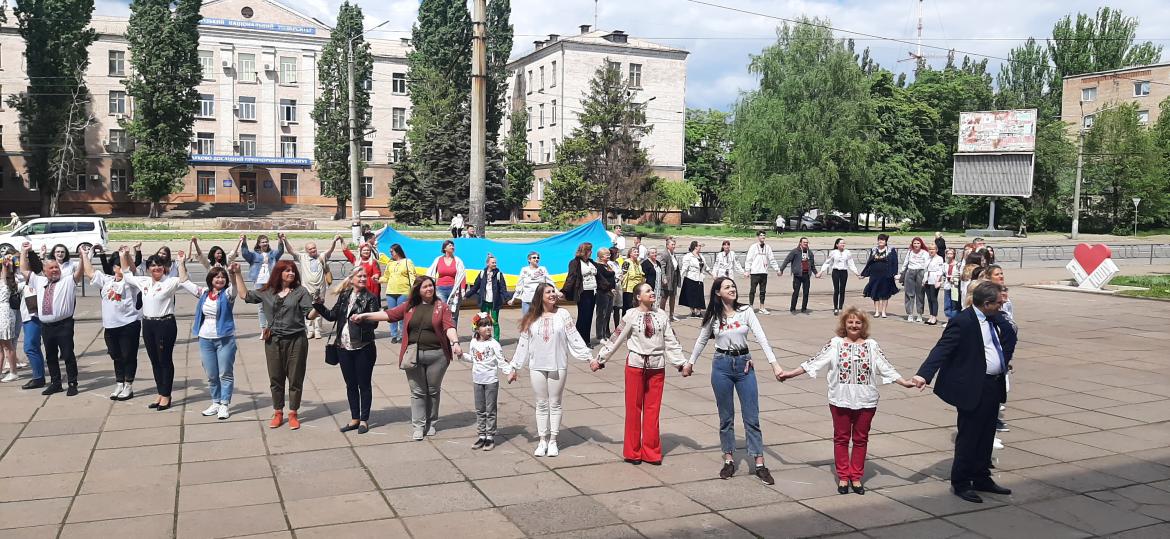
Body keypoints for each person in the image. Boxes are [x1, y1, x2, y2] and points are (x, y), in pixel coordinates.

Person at [778, 308, 915, 494]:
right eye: (850, 322)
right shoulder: (835, 344)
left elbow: (886, 367)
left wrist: (904, 382)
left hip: (866, 400)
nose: (854, 325)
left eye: (858, 322)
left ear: (863, 325)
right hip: (840, 399)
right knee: (841, 438)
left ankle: (856, 477)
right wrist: (790, 374)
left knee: (861, 439)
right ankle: (843, 476)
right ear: (844, 324)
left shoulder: (872, 345)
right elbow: (814, 361)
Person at [912, 281, 1017, 504]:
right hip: (973, 386)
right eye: (998, 303)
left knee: (987, 433)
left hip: (993, 384)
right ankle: (961, 482)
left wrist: (1003, 359)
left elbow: (1009, 335)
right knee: (969, 436)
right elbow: (942, 348)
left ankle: (981, 477)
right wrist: (924, 374)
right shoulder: (963, 321)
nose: (1002, 305)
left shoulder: (995, 318)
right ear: (986, 303)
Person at [688, 276, 785, 485]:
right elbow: (702, 340)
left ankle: (759, 463)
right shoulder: (713, 315)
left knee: (752, 417)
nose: (732, 289)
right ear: (718, 292)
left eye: (733, 286)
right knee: (726, 417)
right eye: (727, 287)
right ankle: (729, 459)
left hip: (744, 366)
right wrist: (690, 363)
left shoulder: (746, 311)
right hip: (721, 366)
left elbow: (761, 337)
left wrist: (774, 364)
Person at [352, 275, 462, 440]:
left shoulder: (442, 306)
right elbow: (388, 315)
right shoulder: (409, 306)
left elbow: (449, 326)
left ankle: (431, 423)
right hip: (412, 355)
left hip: (437, 356)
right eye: (425, 287)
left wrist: (455, 343)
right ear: (418, 290)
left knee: (433, 391)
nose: (429, 289)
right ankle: (418, 426)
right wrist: (365, 316)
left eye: (431, 286)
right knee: (417, 391)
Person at [594, 282, 687, 465]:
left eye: (652, 290)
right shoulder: (631, 315)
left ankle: (651, 452)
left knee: (653, 410)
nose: (652, 293)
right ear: (638, 297)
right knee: (633, 409)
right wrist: (601, 359)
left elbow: (671, 341)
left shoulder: (661, 315)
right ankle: (632, 452)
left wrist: (681, 363)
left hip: (657, 367)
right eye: (647, 291)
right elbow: (616, 338)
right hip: (635, 366)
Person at [508, 283, 592, 458]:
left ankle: (553, 440)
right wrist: (514, 367)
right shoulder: (531, 317)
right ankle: (542, 440)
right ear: (540, 296)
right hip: (537, 365)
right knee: (541, 403)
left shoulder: (563, 314)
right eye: (548, 292)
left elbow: (574, 337)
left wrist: (589, 357)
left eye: (554, 291)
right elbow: (523, 344)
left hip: (558, 363)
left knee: (555, 403)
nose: (553, 294)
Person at [233, 260, 314, 430]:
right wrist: (238, 273)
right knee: (275, 377)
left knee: (295, 377)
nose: (291, 273)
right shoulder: (267, 292)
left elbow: (309, 315)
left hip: (296, 340)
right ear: (278, 273)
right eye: (287, 270)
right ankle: (278, 412)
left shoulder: (300, 291)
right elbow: (244, 295)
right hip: (273, 340)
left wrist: (318, 307)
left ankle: (293, 413)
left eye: (293, 271)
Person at [312, 266, 381, 434]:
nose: (363, 279)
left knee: (364, 384)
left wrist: (361, 319)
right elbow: (332, 316)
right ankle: (354, 418)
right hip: (343, 348)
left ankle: (364, 420)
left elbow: (374, 323)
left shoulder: (370, 298)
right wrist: (318, 305)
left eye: (365, 276)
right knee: (350, 384)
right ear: (351, 279)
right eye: (360, 276)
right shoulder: (344, 295)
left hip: (363, 348)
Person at [177, 254, 239, 419]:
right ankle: (215, 402)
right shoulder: (204, 293)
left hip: (225, 339)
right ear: (210, 279)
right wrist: (181, 263)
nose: (220, 279)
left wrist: (232, 273)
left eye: (222, 277)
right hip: (205, 339)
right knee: (211, 374)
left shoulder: (227, 294)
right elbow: (184, 282)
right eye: (216, 277)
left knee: (225, 373)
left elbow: (235, 287)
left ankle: (224, 404)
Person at [121, 249, 184, 410]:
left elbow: (184, 279)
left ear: (164, 268)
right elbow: (127, 275)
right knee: (154, 360)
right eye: (153, 266)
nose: (156, 268)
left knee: (164, 360)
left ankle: (166, 395)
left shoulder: (170, 282)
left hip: (165, 324)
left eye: (159, 265)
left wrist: (181, 262)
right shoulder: (144, 281)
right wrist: (123, 256)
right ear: (148, 268)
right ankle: (160, 392)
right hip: (148, 324)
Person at [19, 243, 83, 396]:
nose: (55, 270)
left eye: (56, 268)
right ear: (45, 271)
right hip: (47, 326)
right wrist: (24, 251)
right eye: (51, 268)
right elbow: (23, 270)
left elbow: (79, 273)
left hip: (64, 325)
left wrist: (83, 257)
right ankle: (56, 383)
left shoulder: (67, 281)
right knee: (51, 356)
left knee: (67, 354)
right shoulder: (39, 281)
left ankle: (72, 383)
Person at [81, 246, 140, 399]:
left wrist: (125, 255)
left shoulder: (131, 281)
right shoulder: (107, 280)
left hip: (128, 324)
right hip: (110, 326)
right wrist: (85, 255)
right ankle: (119, 382)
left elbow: (131, 269)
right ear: (114, 268)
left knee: (128, 356)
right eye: (119, 265)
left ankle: (128, 385)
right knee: (116, 355)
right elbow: (90, 272)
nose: (123, 268)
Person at [460, 312, 510, 451]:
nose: (488, 327)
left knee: (490, 410)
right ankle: (481, 435)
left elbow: (501, 361)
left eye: (489, 325)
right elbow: (473, 358)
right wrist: (461, 355)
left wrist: (509, 372)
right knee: (480, 409)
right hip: (477, 380)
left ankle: (490, 436)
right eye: (483, 325)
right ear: (476, 328)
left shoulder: (494, 344)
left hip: (491, 381)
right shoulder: (473, 342)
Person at [285, 235, 340, 339]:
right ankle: (310, 330)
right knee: (307, 309)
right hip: (306, 289)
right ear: (306, 251)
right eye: (310, 249)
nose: (313, 250)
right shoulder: (302, 257)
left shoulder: (322, 256)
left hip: (320, 289)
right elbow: (291, 251)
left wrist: (334, 241)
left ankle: (318, 330)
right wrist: (285, 240)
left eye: (314, 248)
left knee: (319, 308)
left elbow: (330, 250)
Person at [240, 234, 285, 334]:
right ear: (259, 244)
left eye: (266, 242)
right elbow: (245, 253)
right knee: (261, 307)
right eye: (263, 242)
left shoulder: (272, 254)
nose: (265, 244)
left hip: (271, 282)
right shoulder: (254, 255)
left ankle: (272, 326)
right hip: (259, 282)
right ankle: (263, 329)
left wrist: (280, 240)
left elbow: (280, 251)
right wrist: (244, 242)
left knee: (273, 304)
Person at [561, 242, 603, 343]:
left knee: (589, 317)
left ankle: (586, 340)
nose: (591, 252)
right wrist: (564, 291)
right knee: (583, 317)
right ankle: (578, 340)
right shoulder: (575, 262)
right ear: (584, 251)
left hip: (593, 291)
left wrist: (609, 287)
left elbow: (600, 276)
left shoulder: (591, 262)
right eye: (589, 250)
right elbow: (571, 277)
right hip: (583, 292)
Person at [16, 249, 46, 390]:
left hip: (33, 317)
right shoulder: (25, 279)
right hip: (28, 317)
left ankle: (38, 378)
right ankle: (38, 376)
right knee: (34, 347)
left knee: (30, 347)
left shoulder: (36, 277)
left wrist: (25, 252)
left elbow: (24, 268)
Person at [465, 254, 507, 341]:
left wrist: (508, 299)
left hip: (495, 302)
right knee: (484, 321)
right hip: (484, 302)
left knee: (494, 322)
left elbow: (503, 288)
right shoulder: (482, 274)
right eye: (493, 262)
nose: (495, 264)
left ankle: (496, 340)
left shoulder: (499, 274)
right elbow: (475, 287)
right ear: (487, 263)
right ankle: (484, 337)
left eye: (495, 263)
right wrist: (467, 295)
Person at [380, 243, 416, 343]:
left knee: (402, 315)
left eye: (392, 251)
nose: (390, 253)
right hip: (391, 292)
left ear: (398, 251)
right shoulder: (390, 263)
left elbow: (412, 276)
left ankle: (403, 335)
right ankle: (394, 335)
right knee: (392, 315)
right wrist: (378, 280)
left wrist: (413, 289)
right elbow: (386, 277)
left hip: (403, 292)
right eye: (390, 251)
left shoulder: (407, 262)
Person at [426, 240, 466, 327]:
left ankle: (453, 333)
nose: (452, 247)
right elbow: (430, 273)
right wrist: (430, 286)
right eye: (450, 245)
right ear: (445, 248)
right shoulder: (438, 260)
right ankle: (442, 332)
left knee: (453, 313)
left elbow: (462, 276)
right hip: (440, 289)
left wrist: (463, 289)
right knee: (441, 312)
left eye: (453, 245)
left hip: (454, 290)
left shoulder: (458, 260)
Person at [818, 238, 861, 316]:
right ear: (837, 244)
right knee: (836, 290)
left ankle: (840, 307)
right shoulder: (833, 252)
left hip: (844, 272)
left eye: (844, 243)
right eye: (841, 243)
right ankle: (835, 308)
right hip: (836, 272)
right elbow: (827, 262)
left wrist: (856, 273)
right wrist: (821, 271)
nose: (843, 244)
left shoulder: (847, 252)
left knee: (842, 290)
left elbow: (851, 264)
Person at [861, 234, 899, 318]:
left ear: (886, 241)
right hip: (875, 275)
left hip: (887, 275)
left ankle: (884, 312)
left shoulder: (891, 250)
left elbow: (895, 263)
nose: (880, 241)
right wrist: (864, 274)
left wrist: (895, 273)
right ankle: (877, 311)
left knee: (885, 293)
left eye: (882, 240)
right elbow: (869, 263)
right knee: (875, 293)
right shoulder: (874, 250)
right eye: (879, 240)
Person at [743, 231, 781, 315]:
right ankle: (751, 306)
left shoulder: (768, 247)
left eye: (764, 235)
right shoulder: (753, 247)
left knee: (763, 291)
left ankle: (762, 307)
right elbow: (749, 259)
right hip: (755, 272)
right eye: (761, 235)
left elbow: (772, 259)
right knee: (753, 290)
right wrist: (747, 270)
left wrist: (777, 269)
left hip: (764, 272)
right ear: (758, 237)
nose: (763, 237)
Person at [510, 251, 557, 316]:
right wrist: (513, 298)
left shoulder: (542, 269)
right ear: (529, 260)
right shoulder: (524, 270)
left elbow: (550, 281)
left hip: (539, 299)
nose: (536, 259)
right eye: (534, 257)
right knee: (527, 319)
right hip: (527, 299)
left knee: (540, 318)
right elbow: (519, 285)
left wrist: (556, 292)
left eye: (538, 258)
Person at [779, 237, 818, 314]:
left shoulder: (810, 253)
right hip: (797, 275)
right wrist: (781, 270)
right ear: (800, 243)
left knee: (806, 293)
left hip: (806, 275)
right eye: (804, 242)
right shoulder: (795, 251)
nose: (806, 244)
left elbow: (812, 265)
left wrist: (816, 273)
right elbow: (787, 260)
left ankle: (804, 308)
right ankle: (793, 308)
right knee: (796, 292)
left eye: (807, 242)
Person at [897, 237, 930, 323]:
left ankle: (919, 314)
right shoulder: (910, 252)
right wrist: (901, 273)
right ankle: (910, 314)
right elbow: (905, 263)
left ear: (921, 244)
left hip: (921, 272)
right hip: (910, 272)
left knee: (920, 294)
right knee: (909, 293)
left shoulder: (925, 253)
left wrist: (926, 276)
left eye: (918, 243)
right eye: (914, 243)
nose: (916, 245)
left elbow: (927, 265)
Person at [0, 258, 22, 383]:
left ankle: (13, 372)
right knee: (1, 347)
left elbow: (4, 276)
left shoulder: (6, 281)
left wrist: (5, 266)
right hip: (3, 313)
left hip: (4, 314)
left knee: (7, 345)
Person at [678, 241, 709, 318]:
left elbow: (705, 267)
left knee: (699, 295)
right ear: (695, 247)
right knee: (691, 296)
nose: (700, 247)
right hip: (691, 278)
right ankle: (693, 312)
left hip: (699, 278)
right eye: (699, 246)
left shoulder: (701, 256)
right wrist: (680, 277)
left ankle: (698, 312)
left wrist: (712, 275)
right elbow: (684, 268)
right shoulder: (688, 256)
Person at [593, 248, 618, 341]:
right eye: (606, 255)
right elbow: (601, 281)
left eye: (609, 254)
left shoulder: (608, 265)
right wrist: (610, 288)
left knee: (607, 314)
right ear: (601, 256)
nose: (609, 256)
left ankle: (604, 333)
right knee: (601, 314)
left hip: (611, 293)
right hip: (603, 292)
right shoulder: (599, 266)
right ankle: (600, 336)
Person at [923, 244, 946, 325]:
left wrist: (937, 281)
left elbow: (940, 270)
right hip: (927, 278)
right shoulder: (928, 258)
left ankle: (934, 316)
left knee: (933, 298)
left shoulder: (939, 258)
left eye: (933, 249)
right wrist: (924, 279)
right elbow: (925, 269)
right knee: (929, 299)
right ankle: (931, 315)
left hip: (934, 278)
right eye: (930, 249)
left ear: (936, 250)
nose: (931, 251)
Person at [659, 238, 682, 321]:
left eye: (674, 244)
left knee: (673, 296)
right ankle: (661, 316)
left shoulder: (673, 253)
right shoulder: (665, 254)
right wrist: (664, 277)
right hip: (667, 278)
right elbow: (662, 267)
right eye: (672, 244)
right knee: (664, 297)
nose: (674, 246)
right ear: (667, 245)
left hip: (674, 277)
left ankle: (671, 315)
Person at [620, 246, 645, 315]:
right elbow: (622, 274)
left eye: (637, 252)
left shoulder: (638, 263)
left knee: (636, 306)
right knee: (628, 306)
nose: (637, 253)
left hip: (637, 288)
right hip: (629, 289)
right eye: (635, 252)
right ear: (630, 254)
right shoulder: (627, 262)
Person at [942, 248, 961, 320]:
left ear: (954, 255)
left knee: (954, 303)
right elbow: (943, 274)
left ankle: (954, 318)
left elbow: (959, 274)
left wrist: (954, 278)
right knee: (947, 303)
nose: (949, 255)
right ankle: (949, 318)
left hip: (954, 286)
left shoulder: (957, 264)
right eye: (948, 253)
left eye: (951, 254)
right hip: (947, 285)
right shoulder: (945, 265)